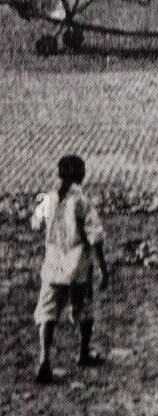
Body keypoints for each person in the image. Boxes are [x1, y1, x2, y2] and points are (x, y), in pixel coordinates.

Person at [33, 154, 110, 385]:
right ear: (81, 176)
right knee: (83, 310)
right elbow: (95, 238)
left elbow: (35, 222)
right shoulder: (82, 201)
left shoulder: (50, 198)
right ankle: (84, 353)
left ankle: (45, 360)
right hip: (77, 268)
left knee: (47, 313)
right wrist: (103, 270)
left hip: (53, 266)